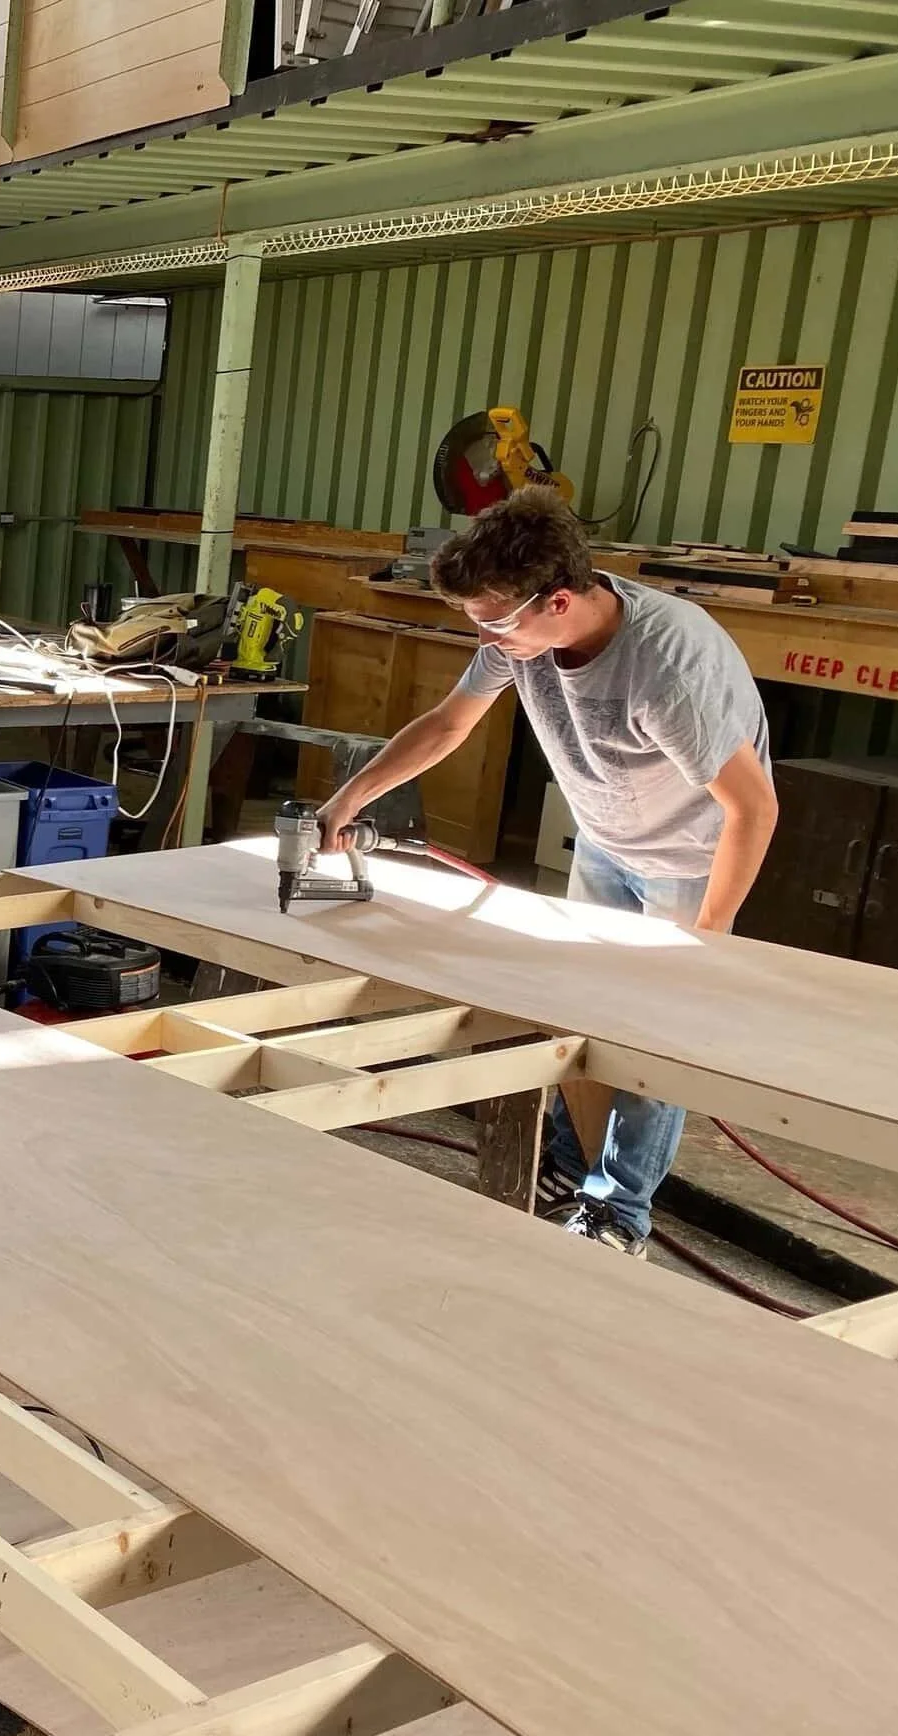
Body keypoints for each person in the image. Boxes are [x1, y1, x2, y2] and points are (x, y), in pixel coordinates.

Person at [316, 486, 778, 1258]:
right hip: (606, 837)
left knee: (653, 1039)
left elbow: (752, 810)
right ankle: (569, 1161)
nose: (486, 636)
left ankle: (619, 1213)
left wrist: (710, 943)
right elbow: (449, 724)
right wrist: (348, 797)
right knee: (579, 1009)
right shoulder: (513, 633)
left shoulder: (666, 667)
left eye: (495, 620)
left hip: (691, 857)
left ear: (558, 600)